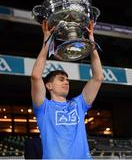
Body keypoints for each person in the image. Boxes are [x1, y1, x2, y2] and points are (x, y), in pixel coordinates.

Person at [31, 19, 104, 159]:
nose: (66, 83)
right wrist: (46, 42)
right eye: (61, 79)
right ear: (49, 86)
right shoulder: (43, 107)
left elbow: (98, 78)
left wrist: (91, 43)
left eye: (67, 80)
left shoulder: (78, 104)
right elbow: (35, 76)